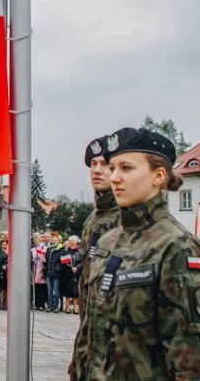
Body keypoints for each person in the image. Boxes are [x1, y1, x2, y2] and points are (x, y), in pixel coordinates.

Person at [77, 127, 200, 380]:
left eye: (127, 168)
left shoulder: (177, 246)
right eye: (114, 168)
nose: (114, 178)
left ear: (158, 175)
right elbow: (91, 332)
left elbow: (192, 360)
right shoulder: (110, 241)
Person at [68, 136, 121, 380]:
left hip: (117, 345)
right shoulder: (92, 219)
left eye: (106, 164)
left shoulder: (127, 218)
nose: (97, 171)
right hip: (88, 336)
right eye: (93, 164)